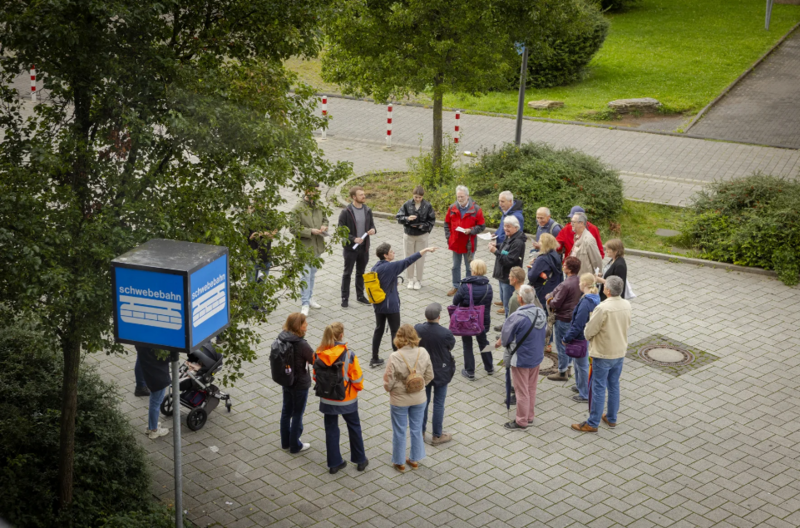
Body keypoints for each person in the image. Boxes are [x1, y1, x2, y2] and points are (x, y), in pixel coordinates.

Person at [572, 276, 631, 433]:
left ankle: (593, 422)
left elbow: (589, 331)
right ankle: (611, 418)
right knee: (614, 385)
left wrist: (588, 335)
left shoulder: (603, 308)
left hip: (603, 353)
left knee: (598, 387)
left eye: (605, 286)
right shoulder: (627, 305)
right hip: (619, 352)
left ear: (608, 291)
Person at [369, 243, 438, 368]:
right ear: (385, 255)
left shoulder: (375, 267)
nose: (394, 252)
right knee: (395, 332)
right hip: (391, 306)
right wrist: (425, 249)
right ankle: (397, 359)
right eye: (391, 251)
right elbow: (409, 260)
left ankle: (374, 358)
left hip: (378, 304)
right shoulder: (392, 267)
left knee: (379, 329)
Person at [314, 322, 368, 474]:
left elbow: (315, 377)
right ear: (341, 335)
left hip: (327, 399)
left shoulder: (319, 353)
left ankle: (334, 463)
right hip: (347, 399)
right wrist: (356, 390)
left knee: (331, 429)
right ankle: (360, 460)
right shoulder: (349, 354)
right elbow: (357, 380)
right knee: (354, 427)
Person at [383, 325, 434, 472]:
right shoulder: (423, 352)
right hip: (419, 398)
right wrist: (420, 386)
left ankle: (399, 462)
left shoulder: (395, 356)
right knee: (417, 428)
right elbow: (430, 375)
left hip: (399, 400)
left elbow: (389, 381)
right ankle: (415, 459)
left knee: (399, 430)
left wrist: (391, 389)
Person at [500, 285, 547, 430]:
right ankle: (530, 416)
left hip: (521, 358)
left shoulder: (517, 317)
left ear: (520, 299)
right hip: (537, 356)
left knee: (521, 391)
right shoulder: (541, 312)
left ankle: (521, 421)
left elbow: (505, 338)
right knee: (531, 388)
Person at [415, 303, 456, 446]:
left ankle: (420, 432)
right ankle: (437, 436)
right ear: (439, 316)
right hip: (441, 372)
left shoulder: (418, 329)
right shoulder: (445, 333)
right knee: (439, 403)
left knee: (423, 403)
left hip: (423, 372)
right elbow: (450, 346)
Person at [276, 313, 314, 453]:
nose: (307, 325)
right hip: (300, 383)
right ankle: (295, 445)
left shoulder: (282, 337)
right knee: (298, 413)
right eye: (304, 323)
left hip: (287, 380)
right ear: (299, 326)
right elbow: (314, 359)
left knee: (286, 411)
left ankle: (285, 442)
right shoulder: (301, 344)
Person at [561, 273, 601, 402]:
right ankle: (580, 386)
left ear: (584, 284)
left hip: (580, 337)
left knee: (582, 365)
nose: (578, 284)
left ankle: (584, 393)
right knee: (578, 363)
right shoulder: (595, 297)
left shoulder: (586, 302)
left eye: (580, 282)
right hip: (586, 336)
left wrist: (566, 338)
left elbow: (578, 324)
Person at [452, 259, 493, 380]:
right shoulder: (488, 287)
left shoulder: (465, 286)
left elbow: (455, 301)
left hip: (466, 320)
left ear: (474, 271)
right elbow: (488, 306)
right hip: (481, 321)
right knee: (484, 342)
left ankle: (470, 371)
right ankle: (489, 367)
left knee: (467, 344)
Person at [291, 183, 328, 316]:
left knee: (312, 274)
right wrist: (310, 231)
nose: (318, 194)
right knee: (305, 276)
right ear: (307, 191)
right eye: (315, 191)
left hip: (317, 246)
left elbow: (325, 219)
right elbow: (293, 228)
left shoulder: (319, 205)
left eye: (319, 191)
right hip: (304, 248)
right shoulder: (297, 208)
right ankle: (305, 303)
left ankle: (310, 298)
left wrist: (324, 226)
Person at [338, 186, 377, 308]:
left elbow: (373, 226)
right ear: (354, 197)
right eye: (361, 195)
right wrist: (353, 239)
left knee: (361, 272)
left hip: (364, 248)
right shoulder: (346, 212)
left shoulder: (367, 210)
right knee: (347, 273)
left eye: (363, 194)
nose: (364, 196)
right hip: (351, 248)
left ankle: (360, 296)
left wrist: (373, 230)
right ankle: (345, 298)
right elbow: (340, 231)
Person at [546, 256, 583, 382]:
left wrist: (548, 299)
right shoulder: (579, 281)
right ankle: (568, 368)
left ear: (569, 268)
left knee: (562, 345)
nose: (563, 266)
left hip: (563, 318)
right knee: (570, 343)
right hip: (573, 316)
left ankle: (562, 372)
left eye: (565, 265)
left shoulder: (565, 284)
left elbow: (555, 303)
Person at [444, 185, 485, 296]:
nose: (460, 199)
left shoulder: (476, 209)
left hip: (469, 244)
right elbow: (446, 223)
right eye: (458, 197)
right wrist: (448, 237)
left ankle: (467, 287)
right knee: (455, 266)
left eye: (462, 196)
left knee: (469, 267)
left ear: (467, 196)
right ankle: (456, 286)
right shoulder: (452, 207)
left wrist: (471, 230)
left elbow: (481, 226)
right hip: (455, 243)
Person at [396, 185, 436, 290]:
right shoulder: (407, 204)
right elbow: (399, 217)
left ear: (423, 196)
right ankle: (410, 279)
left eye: (419, 197)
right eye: (415, 197)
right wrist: (407, 218)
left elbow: (431, 220)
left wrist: (422, 226)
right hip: (409, 235)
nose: (417, 199)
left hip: (421, 235)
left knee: (420, 258)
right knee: (408, 257)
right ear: (413, 195)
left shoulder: (427, 206)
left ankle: (419, 280)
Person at [490, 216, 526, 318]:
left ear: (516, 227)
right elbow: (506, 248)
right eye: (505, 226)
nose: (505, 228)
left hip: (509, 277)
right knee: (504, 301)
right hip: (502, 275)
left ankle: (509, 326)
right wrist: (497, 246)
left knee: (509, 305)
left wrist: (495, 252)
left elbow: (509, 260)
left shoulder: (518, 242)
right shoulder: (510, 236)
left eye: (508, 226)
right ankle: (507, 323)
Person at [135, 345, 171, 439]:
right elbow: (167, 358)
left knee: (153, 401)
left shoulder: (142, 346)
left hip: (150, 376)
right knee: (156, 403)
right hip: (159, 377)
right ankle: (154, 430)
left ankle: (151, 426)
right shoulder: (157, 350)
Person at [528, 233, 563, 310]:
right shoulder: (555, 255)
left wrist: (531, 266)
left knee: (539, 309)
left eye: (540, 241)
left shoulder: (541, 259)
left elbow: (531, 277)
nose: (538, 242)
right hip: (552, 286)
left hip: (541, 289)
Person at [494, 266, 528, 335]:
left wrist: (502, 339)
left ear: (515, 279)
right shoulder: (530, 291)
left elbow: (511, 321)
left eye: (510, 276)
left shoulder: (515, 298)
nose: (508, 278)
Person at [570, 212, 603, 278]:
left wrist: (596, 278)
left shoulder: (588, 240)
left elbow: (596, 261)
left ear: (581, 223)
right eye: (571, 222)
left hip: (584, 281)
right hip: (575, 278)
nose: (571, 224)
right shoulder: (577, 236)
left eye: (574, 222)